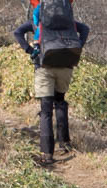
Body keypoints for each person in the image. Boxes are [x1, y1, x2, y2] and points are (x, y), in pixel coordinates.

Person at [13, 13, 89, 165]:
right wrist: (78, 46)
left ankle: (47, 153)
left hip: (43, 67)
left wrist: (28, 50)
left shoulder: (37, 22)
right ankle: (65, 143)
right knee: (60, 102)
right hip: (65, 66)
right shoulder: (68, 22)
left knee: (46, 109)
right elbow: (85, 29)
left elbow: (18, 32)